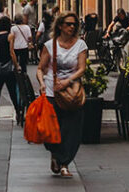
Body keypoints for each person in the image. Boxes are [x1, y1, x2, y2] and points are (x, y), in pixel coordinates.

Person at [37, 11, 87, 179]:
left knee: (71, 130)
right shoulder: (50, 45)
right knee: (51, 130)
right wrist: (42, 83)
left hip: (72, 92)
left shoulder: (80, 45)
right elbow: (40, 68)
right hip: (52, 91)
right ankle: (55, 154)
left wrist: (68, 80)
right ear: (60, 26)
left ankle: (64, 163)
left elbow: (81, 68)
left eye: (74, 24)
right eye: (68, 24)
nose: (72, 27)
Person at [0, 14, 19, 124]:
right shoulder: (10, 36)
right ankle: (17, 111)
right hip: (8, 68)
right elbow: (12, 52)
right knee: (12, 91)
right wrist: (17, 66)